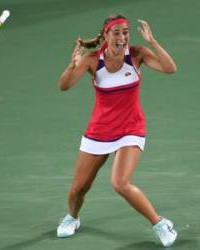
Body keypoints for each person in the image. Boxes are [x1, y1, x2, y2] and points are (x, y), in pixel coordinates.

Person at [56, 14, 178, 247]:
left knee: (120, 183)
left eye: (126, 32)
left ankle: (160, 223)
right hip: (99, 131)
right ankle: (72, 217)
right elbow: (64, 86)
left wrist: (152, 41)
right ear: (105, 35)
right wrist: (71, 66)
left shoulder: (137, 54)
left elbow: (169, 68)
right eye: (117, 32)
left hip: (130, 128)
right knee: (78, 189)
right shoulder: (92, 60)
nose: (123, 37)